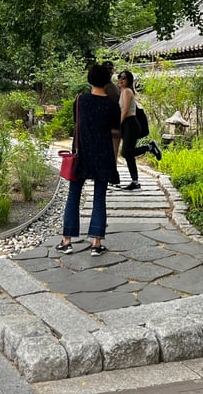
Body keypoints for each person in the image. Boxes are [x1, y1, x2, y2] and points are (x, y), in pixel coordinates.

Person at [55, 64, 121, 257]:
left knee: (73, 196)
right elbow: (115, 130)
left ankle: (67, 241)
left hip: (81, 154)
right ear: (107, 81)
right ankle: (96, 243)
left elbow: (78, 124)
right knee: (99, 198)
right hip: (103, 155)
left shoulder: (81, 101)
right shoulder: (111, 105)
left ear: (89, 79)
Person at [116, 70, 162, 191]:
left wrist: (117, 124)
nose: (120, 79)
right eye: (119, 77)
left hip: (130, 124)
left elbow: (125, 111)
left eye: (123, 78)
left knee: (125, 152)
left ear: (129, 80)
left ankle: (149, 147)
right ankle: (135, 181)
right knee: (129, 154)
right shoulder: (123, 92)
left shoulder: (126, 91)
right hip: (128, 125)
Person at [102, 61, 122, 186]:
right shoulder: (112, 87)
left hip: (111, 125)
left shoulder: (110, 88)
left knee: (111, 151)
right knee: (112, 151)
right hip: (111, 124)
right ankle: (110, 175)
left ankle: (109, 175)